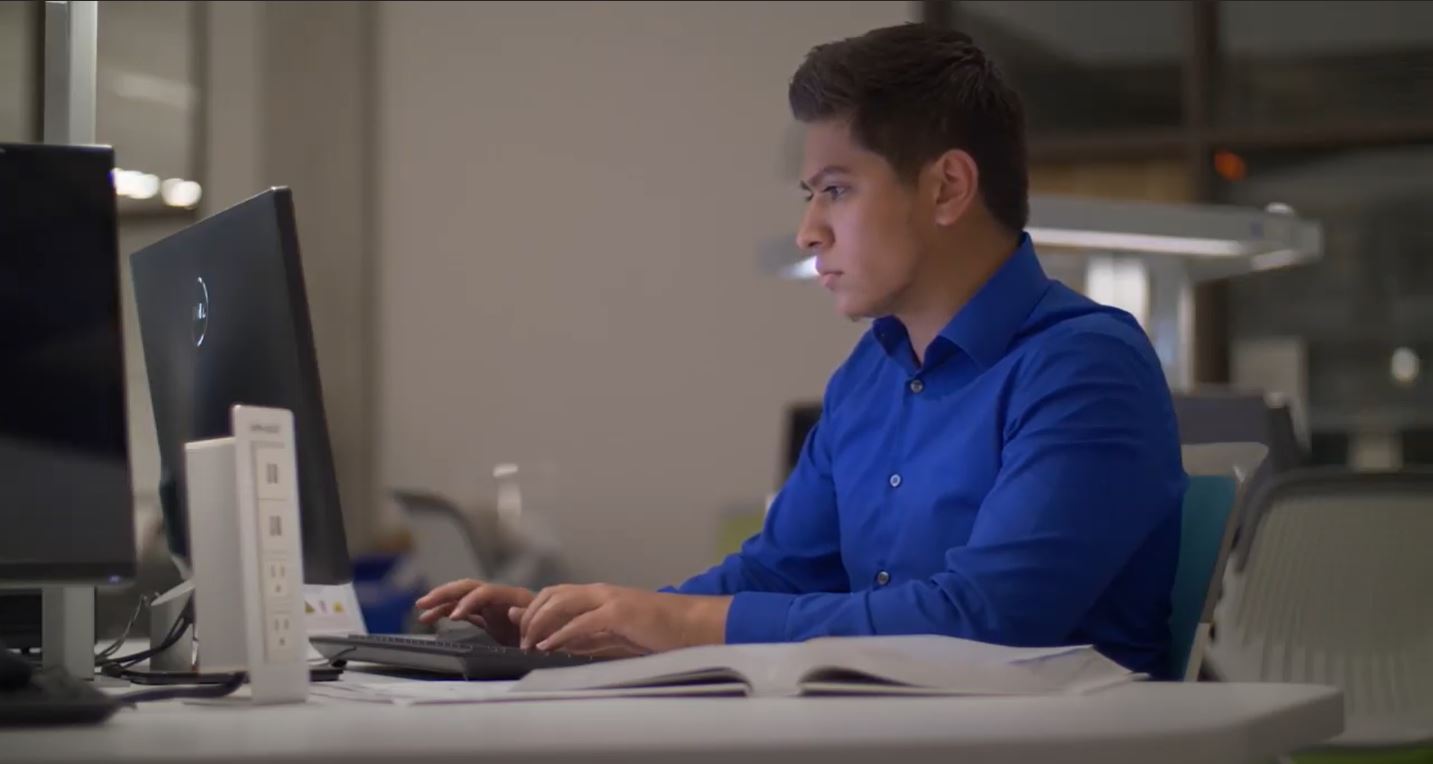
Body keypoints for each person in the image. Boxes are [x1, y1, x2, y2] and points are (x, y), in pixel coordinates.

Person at [416, 22, 1187, 678]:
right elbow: (774, 574)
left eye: (836, 189)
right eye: (809, 195)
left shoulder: (1083, 366)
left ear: (948, 187)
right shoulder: (869, 376)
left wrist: (675, 626)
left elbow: (985, 621)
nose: (808, 231)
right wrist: (590, 624)